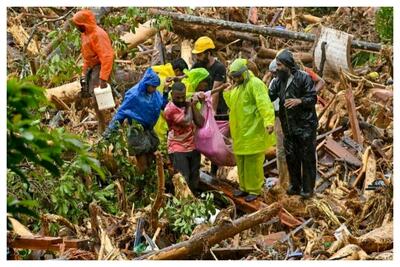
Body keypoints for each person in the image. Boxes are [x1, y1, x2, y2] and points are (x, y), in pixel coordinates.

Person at [224, 58, 275, 202]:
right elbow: (233, 106)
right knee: (241, 161)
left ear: (245, 73)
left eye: (238, 76)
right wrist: (228, 93)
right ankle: (244, 187)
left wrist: (268, 121)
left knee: (253, 163)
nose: (236, 79)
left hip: (253, 132)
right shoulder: (238, 87)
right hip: (240, 133)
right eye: (234, 77)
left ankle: (255, 189)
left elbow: (264, 103)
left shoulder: (256, 84)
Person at [269, 49, 317, 199]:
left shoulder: (303, 78)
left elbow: (312, 98)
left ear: (288, 65)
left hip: (305, 126)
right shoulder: (278, 81)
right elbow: (269, 96)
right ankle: (295, 185)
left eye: (279, 65)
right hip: (288, 127)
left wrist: (299, 101)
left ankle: (308, 188)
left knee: (307, 158)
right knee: (291, 157)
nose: (277, 68)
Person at [104, 68, 168, 173]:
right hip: (136, 130)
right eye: (152, 87)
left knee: (151, 152)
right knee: (141, 156)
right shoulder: (134, 95)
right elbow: (121, 113)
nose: (154, 89)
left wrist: (165, 92)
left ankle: (149, 177)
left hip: (148, 129)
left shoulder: (154, 94)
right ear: (146, 84)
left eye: (155, 87)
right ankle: (142, 180)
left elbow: (163, 104)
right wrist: (109, 132)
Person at [72, 9, 114, 133]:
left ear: (83, 23)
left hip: (101, 66)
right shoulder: (84, 34)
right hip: (92, 67)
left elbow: (107, 56)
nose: (76, 27)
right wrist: (84, 73)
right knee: (94, 99)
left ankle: (106, 126)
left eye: (77, 25)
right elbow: (86, 56)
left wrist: (103, 78)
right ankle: (103, 124)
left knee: (99, 99)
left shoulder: (98, 34)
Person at [191, 36, 228, 176]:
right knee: (197, 138)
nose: (198, 57)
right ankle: (197, 167)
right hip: (200, 108)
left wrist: (210, 114)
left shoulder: (219, 68)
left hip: (217, 109)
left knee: (215, 141)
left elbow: (215, 93)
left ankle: (214, 172)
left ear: (208, 53)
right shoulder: (196, 67)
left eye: (200, 54)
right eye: (197, 54)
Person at [164, 82, 204, 193]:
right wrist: (190, 105)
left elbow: (200, 122)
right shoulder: (170, 109)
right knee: (183, 178)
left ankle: (193, 202)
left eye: (183, 97)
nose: (181, 100)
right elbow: (187, 121)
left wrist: (193, 106)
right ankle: (182, 202)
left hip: (193, 145)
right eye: (178, 97)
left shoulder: (188, 105)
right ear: (172, 95)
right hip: (177, 147)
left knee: (194, 177)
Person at [267, 59, 290, 190]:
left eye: (276, 73)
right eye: (273, 74)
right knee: (281, 152)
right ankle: (283, 181)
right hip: (278, 119)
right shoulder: (273, 84)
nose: (275, 76)